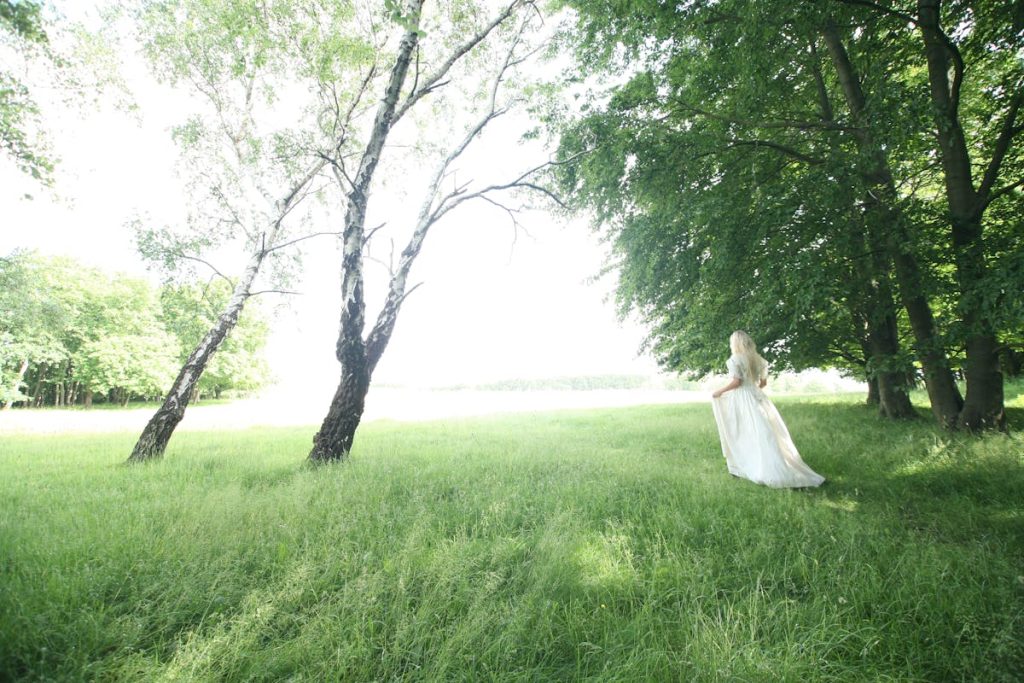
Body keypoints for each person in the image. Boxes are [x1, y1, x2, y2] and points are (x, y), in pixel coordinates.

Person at [710, 331, 824, 488]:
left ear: (735, 343)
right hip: (757, 397)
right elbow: (763, 384)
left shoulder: (734, 360)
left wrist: (719, 391)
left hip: (742, 399)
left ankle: (750, 467)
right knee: (766, 432)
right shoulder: (759, 360)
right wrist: (753, 388)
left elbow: (737, 382)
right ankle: (766, 464)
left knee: (745, 432)